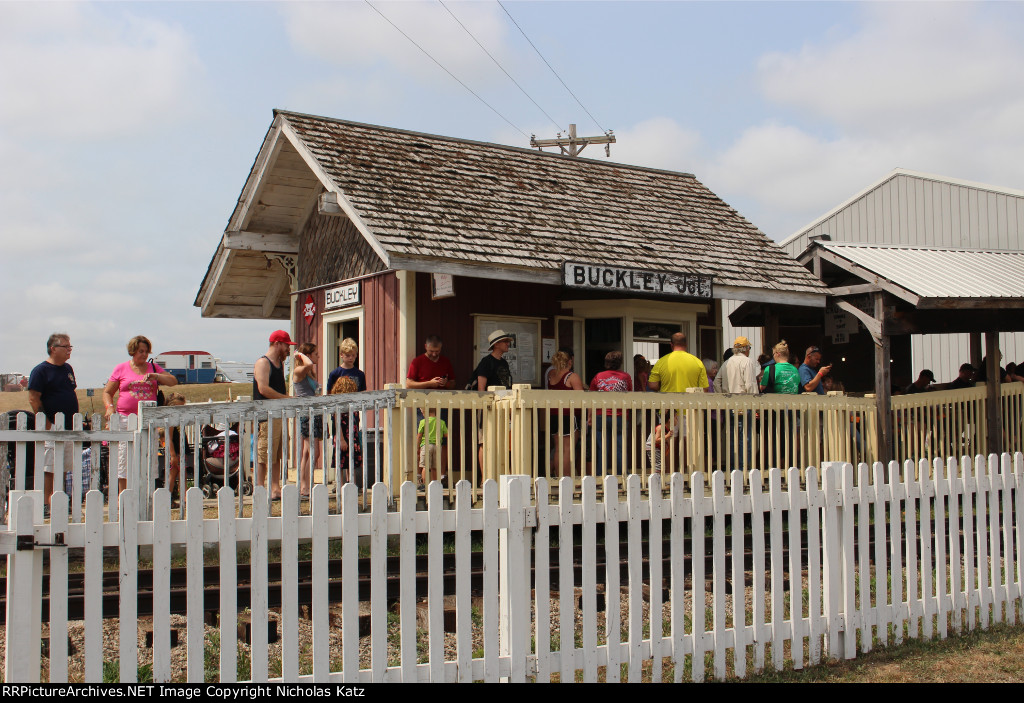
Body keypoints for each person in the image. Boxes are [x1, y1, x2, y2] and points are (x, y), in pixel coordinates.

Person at [103, 335, 178, 493]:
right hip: (125, 418)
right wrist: (109, 407)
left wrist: (157, 376)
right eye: (140, 351)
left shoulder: (153, 368)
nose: (144, 355)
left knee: (148, 457)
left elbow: (173, 381)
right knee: (123, 457)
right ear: (132, 351)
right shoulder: (121, 368)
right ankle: (123, 495)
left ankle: (146, 493)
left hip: (147, 419)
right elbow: (107, 392)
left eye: (146, 351)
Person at [28, 333, 79, 508]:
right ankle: (45, 503)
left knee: (64, 466)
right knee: (49, 466)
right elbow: (34, 398)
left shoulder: (67, 369)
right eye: (65, 347)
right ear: (53, 348)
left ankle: (58, 499)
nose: (69, 350)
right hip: (51, 425)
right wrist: (47, 423)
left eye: (70, 347)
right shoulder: (40, 371)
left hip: (69, 426)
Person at [647, 332, 707, 473]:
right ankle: (689, 473)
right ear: (686, 344)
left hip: (669, 410)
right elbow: (704, 389)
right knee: (689, 442)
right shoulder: (697, 362)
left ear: (671, 345)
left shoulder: (662, 361)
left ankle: (668, 472)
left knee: (667, 442)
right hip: (690, 410)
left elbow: (652, 385)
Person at [253, 330, 295, 500]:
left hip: (278, 415)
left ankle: (275, 488)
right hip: (265, 416)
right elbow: (263, 389)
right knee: (264, 454)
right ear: (277, 343)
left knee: (277, 453)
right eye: (286, 346)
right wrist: (286, 399)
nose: (288, 350)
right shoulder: (263, 363)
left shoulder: (280, 365)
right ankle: (260, 488)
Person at [714, 336, 760, 470]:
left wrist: (722, 397)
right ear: (746, 349)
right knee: (746, 437)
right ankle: (744, 468)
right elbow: (751, 385)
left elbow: (717, 381)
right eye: (749, 348)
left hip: (729, 404)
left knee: (732, 437)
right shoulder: (747, 361)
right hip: (744, 403)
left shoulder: (727, 362)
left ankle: (734, 468)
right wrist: (756, 406)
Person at [474, 330, 514, 475]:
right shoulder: (486, 362)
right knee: (485, 441)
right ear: (496, 344)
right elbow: (481, 388)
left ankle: (504, 474)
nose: (508, 344)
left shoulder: (504, 363)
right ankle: (485, 477)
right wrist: (486, 405)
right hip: (488, 406)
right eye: (505, 341)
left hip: (503, 407)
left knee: (503, 440)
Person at [589, 350, 632, 475]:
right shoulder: (625, 377)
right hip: (619, 416)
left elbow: (591, 398)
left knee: (601, 448)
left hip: (600, 415)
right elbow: (629, 395)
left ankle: (600, 476)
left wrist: (590, 417)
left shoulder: (598, 376)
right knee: (620, 447)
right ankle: (622, 475)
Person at [546, 348, 584, 477]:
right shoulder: (572, 376)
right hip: (568, 414)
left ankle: (559, 476)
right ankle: (566, 478)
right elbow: (581, 398)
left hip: (553, 414)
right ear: (569, 362)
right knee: (568, 449)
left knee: (558, 448)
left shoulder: (551, 374)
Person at [292, 342, 321, 498]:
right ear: (308, 355)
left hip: (314, 413)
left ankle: (304, 485)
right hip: (306, 413)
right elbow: (308, 363)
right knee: (314, 452)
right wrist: (300, 355)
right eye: (315, 353)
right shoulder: (299, 371)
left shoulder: (309, 373)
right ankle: (306, 485)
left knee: (306, 453)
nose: (318, 356)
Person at [329, 376, 362, 486]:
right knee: (341, 461)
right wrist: (341, 439)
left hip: (353, 436)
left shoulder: (353, 405)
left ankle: (352, 483)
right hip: (342, 436)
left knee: (352, 460)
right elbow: (337, 423)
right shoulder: (338, 406)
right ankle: (340, 485)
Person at [162, 393, 189, 504]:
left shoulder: (178, 419)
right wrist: (173, 455)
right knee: (172, 475)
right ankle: (168, 498)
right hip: (175, 451)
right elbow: (168, 438)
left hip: (181, 450)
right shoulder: (171, 420)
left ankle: (183, 496)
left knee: (183, 474)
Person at [416, 414, 449, 487]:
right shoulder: (441, 422)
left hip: (426, 445)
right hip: (437, 446)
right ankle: (434, 485)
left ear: (424, 412)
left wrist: (417, 447)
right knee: (435, 467)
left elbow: (419, 435)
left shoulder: (423, 422)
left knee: (425, 466)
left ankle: (424, 484)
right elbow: (446, 434)